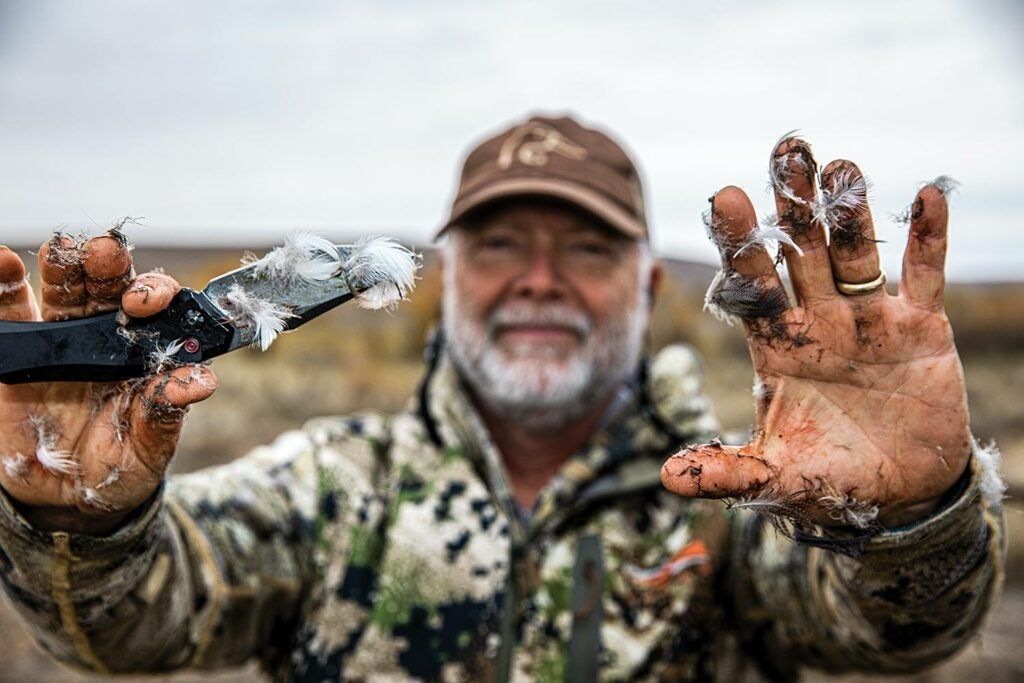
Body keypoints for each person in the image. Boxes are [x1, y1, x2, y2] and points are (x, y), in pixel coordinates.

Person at [0, 114, 1005, 682]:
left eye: (585, 247)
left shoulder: (742, 510)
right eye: (496, 244)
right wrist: (78, 520)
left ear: (648, 285)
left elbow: (896, 634)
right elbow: (126, 626)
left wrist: (909, 516)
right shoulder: (328, 486)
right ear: (448, 280)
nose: (538, 279)